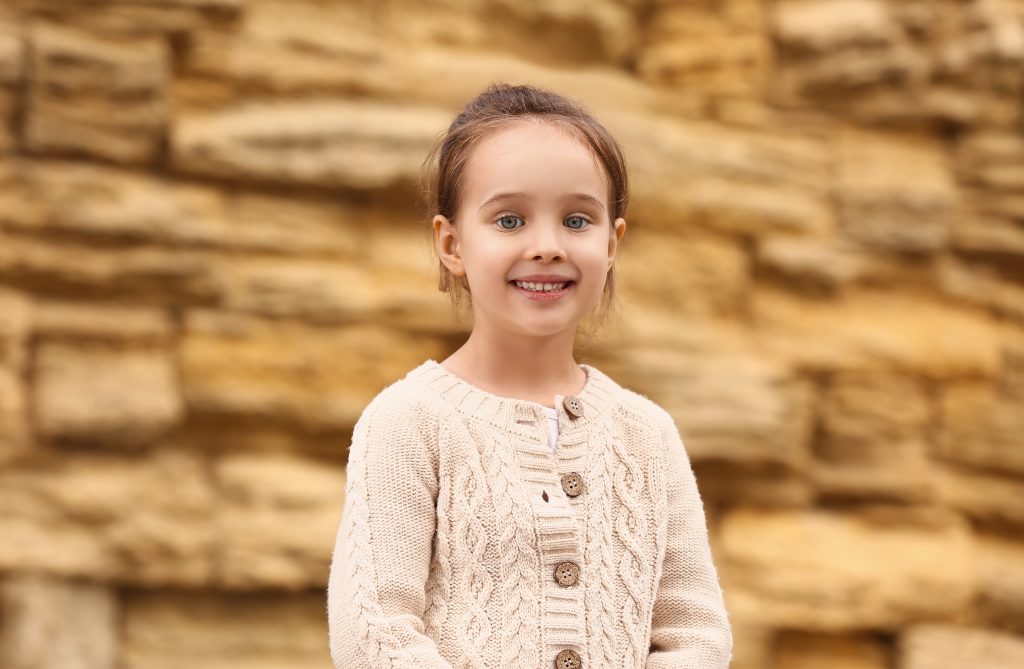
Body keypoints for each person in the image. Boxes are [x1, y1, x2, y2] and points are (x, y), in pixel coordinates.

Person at [326, 82, 733, 669]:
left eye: (576, 220)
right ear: (452, 243)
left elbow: (694, 633)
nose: (546, 246)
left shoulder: (648, 435)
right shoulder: (407, 423)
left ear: (612, 242)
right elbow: (375, 633)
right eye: (510, 219)